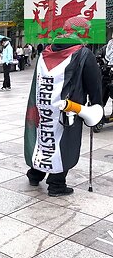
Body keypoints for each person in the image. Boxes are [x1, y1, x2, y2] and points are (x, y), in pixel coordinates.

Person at [24, 31, 103, 197]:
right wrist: (97, 106)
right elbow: (94, 84)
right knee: (64, 144)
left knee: (43, 138)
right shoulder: (83, 54)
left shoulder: (45, 52)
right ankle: (56, 184)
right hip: (67, 109)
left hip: (43, 108)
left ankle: (35, 174)